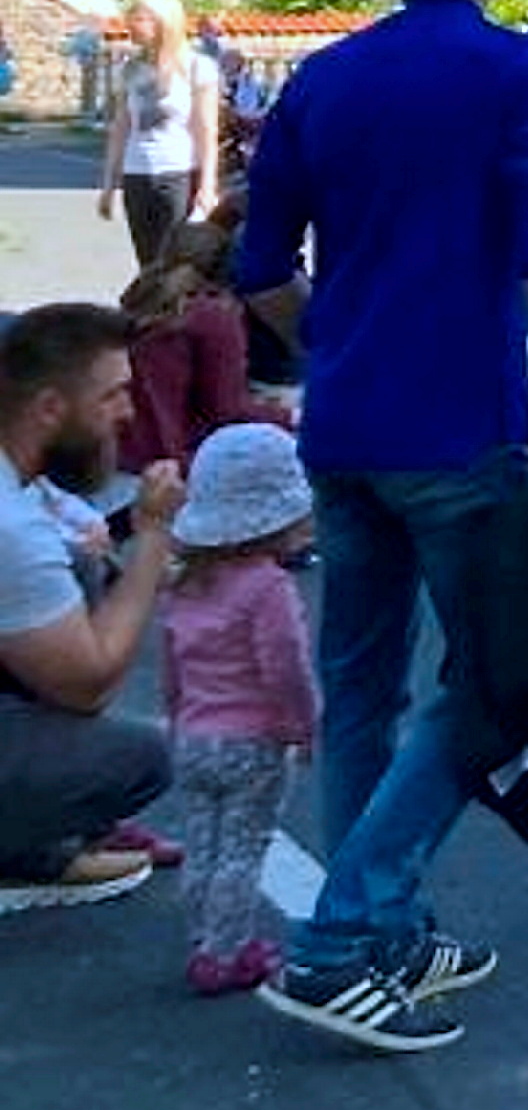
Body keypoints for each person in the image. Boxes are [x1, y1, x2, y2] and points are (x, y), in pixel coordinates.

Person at [233, 0, 528, 1056]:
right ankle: (340, 940)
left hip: (343, 429)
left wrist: (333, 342)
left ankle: (381, 923)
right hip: (461, 426)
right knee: (493, 684)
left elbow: (261, 268)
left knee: (364, 686)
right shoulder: (525, 73)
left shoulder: (323, 80)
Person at [0, 301, 182, 913]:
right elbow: (88, 683)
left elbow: (78, 524)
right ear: (50, 408)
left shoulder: (19, 484)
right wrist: (154, 538)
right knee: (142, 759)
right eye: (113, 396)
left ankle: (36, 834)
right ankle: (20, 855)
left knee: (76, 564)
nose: (129, 414)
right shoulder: (9, 527)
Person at [158, 420, 317, 994]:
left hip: (194, 737)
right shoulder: (266, 587)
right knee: (244, 849)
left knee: (203, 843)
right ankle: (225, 955)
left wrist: (176, 715)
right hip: (252, 740)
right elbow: (284, 664)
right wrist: (302, 724)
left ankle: (205, 934)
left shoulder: (185, 583)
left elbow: (173, 661)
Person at [119, 220, 263, 479]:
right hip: (172, 462)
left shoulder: (139, 299)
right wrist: (291, 416)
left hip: (123, 454)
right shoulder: (214, 315)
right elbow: (227, 409)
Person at [95, 0, 222, 271]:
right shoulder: (131, 70)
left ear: (164, 23)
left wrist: (208, 185)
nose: (130, 25)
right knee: (148, 263)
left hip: (177, 173)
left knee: (176, 261)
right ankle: (150, 315)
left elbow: (206, 132)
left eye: (140, 18)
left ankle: (176, 315)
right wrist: (108, 184)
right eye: (131, 17)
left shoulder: (197, 67)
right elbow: (121, 129)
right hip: (137, 174)